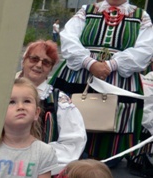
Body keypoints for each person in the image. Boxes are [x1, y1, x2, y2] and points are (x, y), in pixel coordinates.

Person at [50, 0, 153, 164]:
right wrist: (89, 63)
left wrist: (112, 64)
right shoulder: (87, 10)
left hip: (119, 79)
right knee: (70, 112)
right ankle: (68, 151)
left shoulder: (141, 16)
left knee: (111, 118)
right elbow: (68, 37)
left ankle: (104, 157)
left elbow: (145, 49)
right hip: (80, 74)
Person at [17, 40, 86, 178]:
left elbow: (74, 143)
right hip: (3, 172)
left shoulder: (59, 100)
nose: (38, 65)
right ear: (24, 60)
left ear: (50, 70)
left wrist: (38, 163)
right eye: (34, 58)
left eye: (46, 63)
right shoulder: (4, 90)